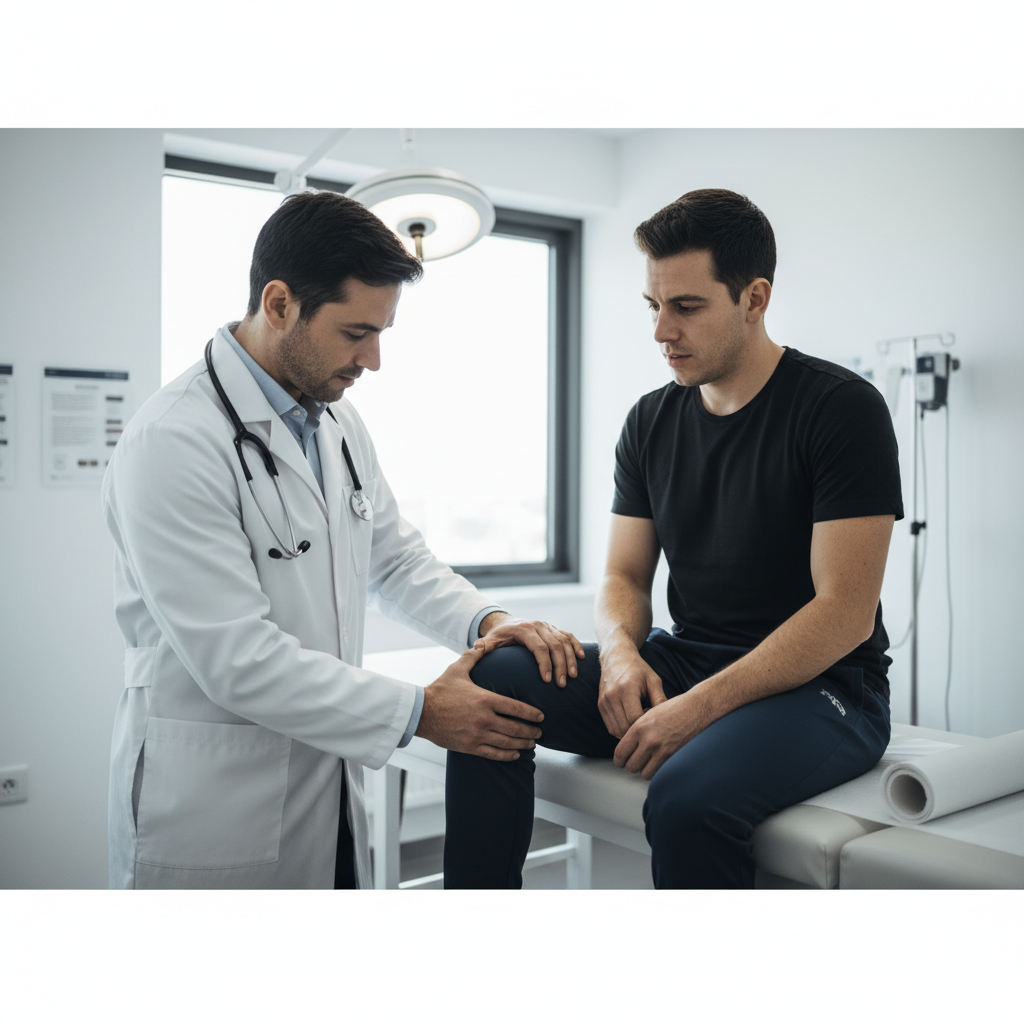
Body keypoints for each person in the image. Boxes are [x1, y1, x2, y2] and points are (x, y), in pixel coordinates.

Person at [102, 189, 583, 889]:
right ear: (279, 304)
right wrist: (422, 712)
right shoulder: (173, 440)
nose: (374, 360)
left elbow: (397, 559)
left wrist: (489, 621)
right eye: (356, 332)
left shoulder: (334, 420)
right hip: (215, 804)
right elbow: (236, 659)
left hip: (322, 785)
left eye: (382, 332)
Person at [443, 188, 903, 888]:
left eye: (686, 306)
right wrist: (621, 657)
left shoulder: (840, 409)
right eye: (653, 306)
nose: (662, 331)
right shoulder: (650, 421)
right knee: (490, 683)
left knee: (686, 797)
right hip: (687, 659)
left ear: (754, 299)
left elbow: (845, 612)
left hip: (823, 687)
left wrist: (698, 709)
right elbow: (624, 577)